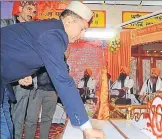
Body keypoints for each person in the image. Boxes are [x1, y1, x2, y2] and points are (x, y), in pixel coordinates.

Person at [1, 1, 105, 139]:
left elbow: (13, 49)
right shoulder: (54, 34)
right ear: (68, 21)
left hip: (3, 84)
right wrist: (87, 128)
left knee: (7, 130)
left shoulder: (49, 29)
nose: (83, 34)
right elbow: (63, 80)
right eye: (82, 29)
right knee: (5, 133)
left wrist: (20, 75)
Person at [1, 1, 37, 139]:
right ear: (20, 9)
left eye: (34, 11)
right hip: (4, 78)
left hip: (24, 78)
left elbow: (32, 57)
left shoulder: (32, 32)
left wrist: (29, 74)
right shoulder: (4, 24)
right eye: (29, 9)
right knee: (5, 114)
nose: (31, 14)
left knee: (18, 117)